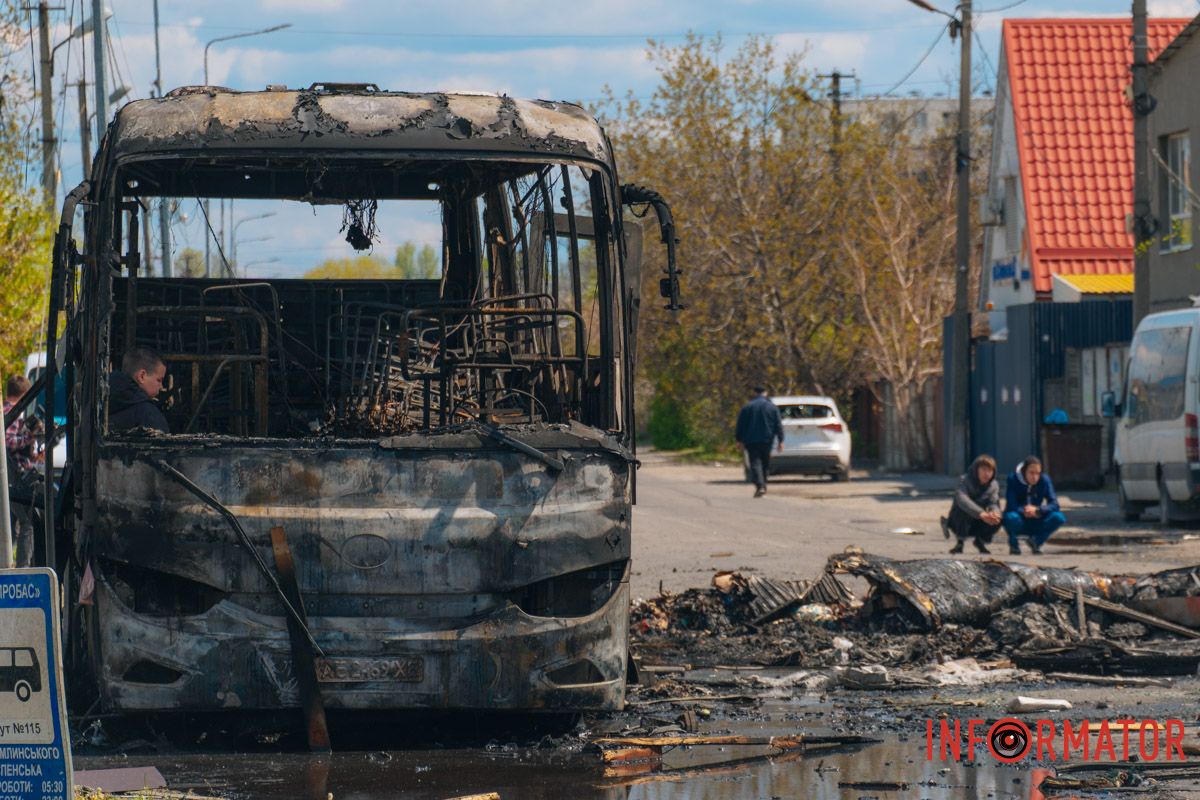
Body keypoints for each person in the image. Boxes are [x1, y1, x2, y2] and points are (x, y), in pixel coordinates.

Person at [4, 375, 42, 567]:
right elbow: (8, 442)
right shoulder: (10, 411)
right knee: (27, 522)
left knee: (12, 523)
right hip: (14, 478)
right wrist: (29, 436)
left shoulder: (16, 414)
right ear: (24, 395)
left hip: (16, 475)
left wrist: (34, 450)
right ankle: (22, 570)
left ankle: (9, 566)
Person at [1003, 456, 1065, 555]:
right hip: (1020, 519)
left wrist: (1038, 510)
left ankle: (1036, 542)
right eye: (1031, 473)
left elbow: (1054, 504)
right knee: (1010, 517)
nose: (1035, 477)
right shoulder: (1013, 479)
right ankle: (1014, 545)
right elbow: (1011, 504)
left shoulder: (1044, 480)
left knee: (1059, 517)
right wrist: (1024, 510)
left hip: (1037, 518)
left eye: (1038, 473)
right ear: (1024, 472)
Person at [941, 454, 1002, 554]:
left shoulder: (994, 485)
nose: (987, 474)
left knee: (998, 518)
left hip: (979, 519)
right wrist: (981, 513)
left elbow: (993, 502)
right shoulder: (964, 480)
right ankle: (960, 542)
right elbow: (962, 499)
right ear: (976, 470)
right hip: (959, 519)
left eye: (990, 470)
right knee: (964, 511)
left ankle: (980, 541)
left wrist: (994, 513)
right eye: (984, 470)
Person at [735, 385, 784, 498]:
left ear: (754, 393)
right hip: (767, 440)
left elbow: (741, 425)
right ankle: (763, 485)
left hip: (751, 440)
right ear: (765, 393)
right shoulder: (772, 407)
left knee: (755, 463)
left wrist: (739, 439)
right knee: (765, 463)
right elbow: (778, 425)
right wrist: (781, 440)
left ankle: (760, 486)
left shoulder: (747, 407)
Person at [109, 346, 170, 433]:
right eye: (159, 380)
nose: (161, 387)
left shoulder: (95, 407)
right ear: (142, 376)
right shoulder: (148, 414)